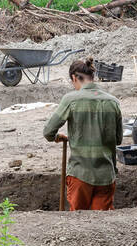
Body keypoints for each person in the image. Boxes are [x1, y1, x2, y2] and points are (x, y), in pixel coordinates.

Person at [43, 57, 123, 211]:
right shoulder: (113, 102)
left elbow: (48, 132)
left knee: (79, 224)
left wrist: (56, 138)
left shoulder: (71, 99)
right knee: (100, 224)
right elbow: (118, 140)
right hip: (106, 175)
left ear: (74, 78)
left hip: (80, 174)